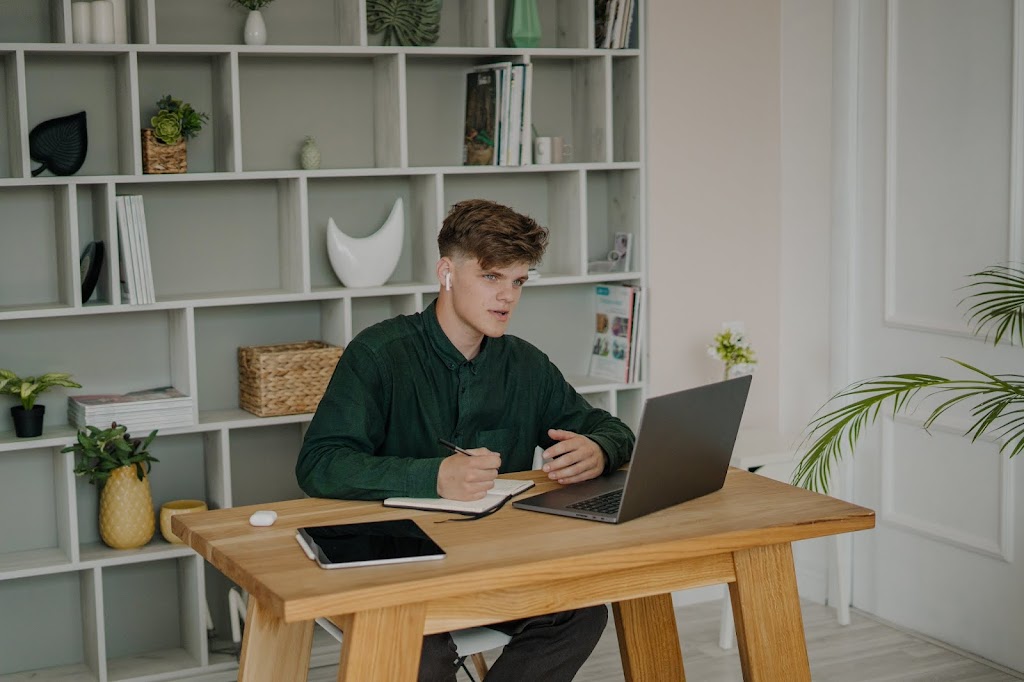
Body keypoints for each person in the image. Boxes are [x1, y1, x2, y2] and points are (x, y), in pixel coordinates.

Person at [296, 198, 636, 682]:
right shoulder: (377, 355)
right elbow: (319, 463)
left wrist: (599, 449)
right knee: (417, 647)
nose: (508, 297)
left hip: (495, 568)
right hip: (400, 569)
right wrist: (433, 475)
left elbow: (611, 427)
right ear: (446, 272)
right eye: (492, 277)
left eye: (518, 281)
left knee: (580, 613)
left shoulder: (526, 364)